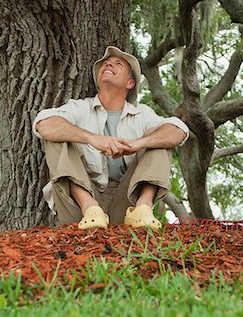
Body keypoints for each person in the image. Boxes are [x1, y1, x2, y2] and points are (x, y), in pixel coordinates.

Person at [32, 46, 189, 230]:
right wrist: (92, 138)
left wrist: (137, 144)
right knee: (57, 136)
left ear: (130, 83)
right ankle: (91, 209)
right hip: (80, 206)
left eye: (118, 64)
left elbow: (178, 130)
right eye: (106, 63)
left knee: (159, 141)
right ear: (98, 81)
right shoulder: (80, 108)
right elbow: (44, 124)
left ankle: (143, 208)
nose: (109, 64)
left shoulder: (142, 114)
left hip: (126, 204)